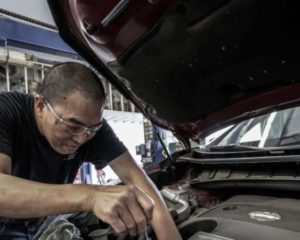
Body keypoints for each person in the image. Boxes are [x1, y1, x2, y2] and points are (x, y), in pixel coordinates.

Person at [0, 62, 181, 239]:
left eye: (92, 129)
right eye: (72, 126)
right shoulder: (6, 110)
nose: (81, 139)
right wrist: (90, 196)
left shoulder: (91, 129)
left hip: (43, 223)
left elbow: (136, 178)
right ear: (40, 106)